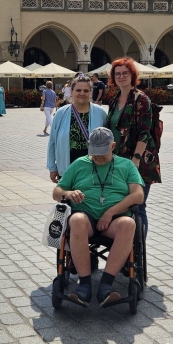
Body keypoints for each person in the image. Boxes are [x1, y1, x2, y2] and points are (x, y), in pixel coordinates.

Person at [53, 127, 144, 307]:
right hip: (85, 216)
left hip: (115, 219)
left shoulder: (126, 166)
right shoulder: (79, 163)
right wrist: (69, 194)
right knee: (76, 220)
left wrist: (110, 212)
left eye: (102, 153)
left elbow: (138, 195)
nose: (98, 157)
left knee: (129, 224)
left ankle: (105, 285)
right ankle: (85, 285)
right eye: (94, 153)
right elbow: (57, 192)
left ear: (113, 146)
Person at [105, 57, 161, 238]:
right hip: (118, 161)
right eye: (117, 73)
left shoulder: (141, 99)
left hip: (139, 162)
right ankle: (125, 248)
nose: (121, 76)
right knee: (122, 204)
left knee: (138, 205)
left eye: (125, 73)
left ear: (132, 75)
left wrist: (135, 159)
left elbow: (145, 132)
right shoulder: (114, 100)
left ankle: (137, 253)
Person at [47, 74, 107, 183]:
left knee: (91, 199)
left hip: (95, 168)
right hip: (68, 165)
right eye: (78, 90)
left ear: (90, 92)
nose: (82, 93)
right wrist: (52, 167)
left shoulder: (100, 113)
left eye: (86, 90)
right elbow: (52, 142)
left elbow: (108, 142)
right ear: (71, 91)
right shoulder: (61, 113)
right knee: (70, 198)